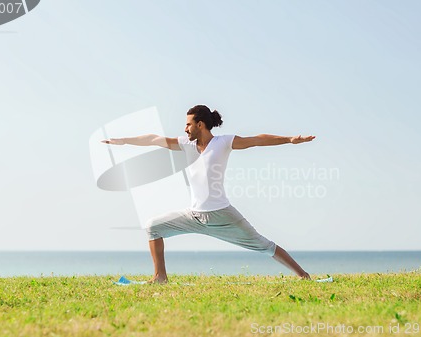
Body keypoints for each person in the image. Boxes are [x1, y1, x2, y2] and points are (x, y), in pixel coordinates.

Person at [102, 105, 315, 283]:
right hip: (194, 215)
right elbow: (154, 139)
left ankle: (304, 275)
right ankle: (160, 277)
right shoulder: (186, 144)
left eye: (188, 124)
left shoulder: (223, 143)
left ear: (200, 125)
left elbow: (256, 140)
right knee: (152, 227)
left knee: (264, 245)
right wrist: (123, 141)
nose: (185, 128)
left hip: (222, 215)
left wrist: (289, 139)